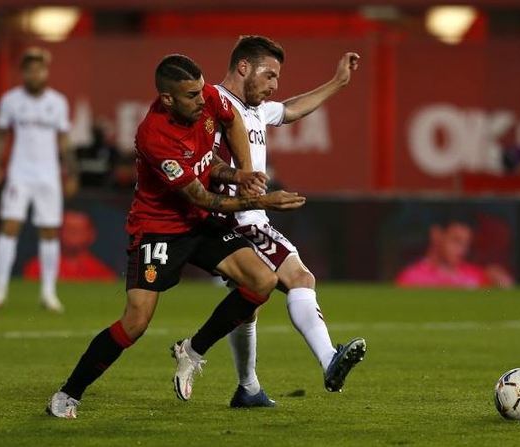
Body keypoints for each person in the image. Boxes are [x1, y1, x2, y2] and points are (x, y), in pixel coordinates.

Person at [46, 54, 306, 418]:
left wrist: (240, 174)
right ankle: (69, 394)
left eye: (202, 90)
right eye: (192, 95)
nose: (204, 99)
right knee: (135, 322)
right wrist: (261, 200)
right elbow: (198, 193)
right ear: (168, 99)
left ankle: (193, 350)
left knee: (262, 281)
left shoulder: (208, 99)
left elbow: (213, 154)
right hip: (159, 230)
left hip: (199, 223)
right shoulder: (154, 135)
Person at [214, 35, 366, 407]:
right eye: (269, 75)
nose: (273, 86)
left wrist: (338, 83)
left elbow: (292, 109)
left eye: (277, 78)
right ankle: (329, 358)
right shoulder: (214, 103)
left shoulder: (256, 109)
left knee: (247, 302)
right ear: (243, 67)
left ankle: (248, 388)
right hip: (237, 218)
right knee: (300, 278)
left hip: (246, 216)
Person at [0, 48, 78, 313]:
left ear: (45, 72)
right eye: (29, 69)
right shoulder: (11, 101)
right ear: (23, 72)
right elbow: (0, 134)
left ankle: (48, 293)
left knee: (49, 231)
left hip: (48, 175)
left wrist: (70, 172)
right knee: (9, 226)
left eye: (39, 68)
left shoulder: (57, 102)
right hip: (19, 173)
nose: (34, 73)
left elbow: (64, 140)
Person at [396, 221, 514, 289]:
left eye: (466, 244)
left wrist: (502, 283)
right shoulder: (412, 278)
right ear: (436, 235)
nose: (463, 250)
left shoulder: (478, 276)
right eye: (456, 241)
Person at [23, 210, 117, 281]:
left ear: (91, 234)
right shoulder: (37, 267)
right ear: (58, 232)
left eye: (78, 230)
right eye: (68, 229)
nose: (73, 234)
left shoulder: (101, 271)